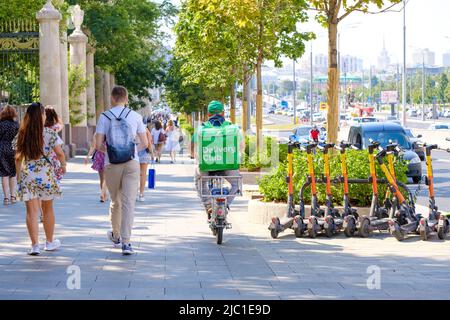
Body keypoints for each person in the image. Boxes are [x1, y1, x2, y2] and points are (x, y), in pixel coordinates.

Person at [95, 86, 148, 255]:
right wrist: (131, 150)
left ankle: (116, 235)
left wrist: (111, 152)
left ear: (112, 99)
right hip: (132, 163)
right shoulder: (136, 116)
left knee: (115, 200)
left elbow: (97, 145)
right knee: (128, 203)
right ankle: (126, 243)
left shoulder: (104, 117)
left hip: (112, 165)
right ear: (126, 99)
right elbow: (145, 143)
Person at [14, 102, 66, 255]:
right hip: (46, 175)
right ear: (41, 116)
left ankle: (34, 245)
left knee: (31, 211)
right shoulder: (50, 133)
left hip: (27, 175)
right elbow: (60, 152)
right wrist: (63, 166)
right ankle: (49, 243)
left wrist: (18, 178)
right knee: (47, 208)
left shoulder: (22, 134)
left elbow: (17, 158)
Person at [194, 101, 244, 219]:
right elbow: (241, 147)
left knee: (199, 182)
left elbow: (196, 149)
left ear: (208, 114)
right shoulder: (233, 128)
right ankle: (225, 204)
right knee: (236, 184)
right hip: (228, 165)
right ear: (223, 113)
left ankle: (208, 206)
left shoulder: (201, 128)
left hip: (207, 165)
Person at [0, 106, 19, 205]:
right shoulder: (16, 125)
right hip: (13, 149)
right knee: (13, 173)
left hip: (2, 148)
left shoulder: (1, 124)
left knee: (4, 173)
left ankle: (6, 198)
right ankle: (13, 196)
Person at [85, 134, 108, 202]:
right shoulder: (110, 130)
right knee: (106, 177)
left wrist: (87, 157)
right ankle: (103, 194)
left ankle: (103, 195)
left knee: (101, 178)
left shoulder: (97, 133)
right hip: (108, 155)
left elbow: (93, 146)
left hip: (99, 156)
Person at [44, 106, 64, 183]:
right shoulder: (55, 127)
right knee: (54, 170)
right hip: (54, 152)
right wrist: (55, 115)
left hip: (43, 151)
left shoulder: (41, 127)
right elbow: (61, 124)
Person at [137, 119, 153, 202]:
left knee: (133, 174)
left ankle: (134, 193)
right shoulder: (145, 129)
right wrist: (152, 154)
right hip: (144, 152)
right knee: (143, 174)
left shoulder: (132, 128)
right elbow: (149, 142)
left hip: (133, 152)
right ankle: (141, 194)